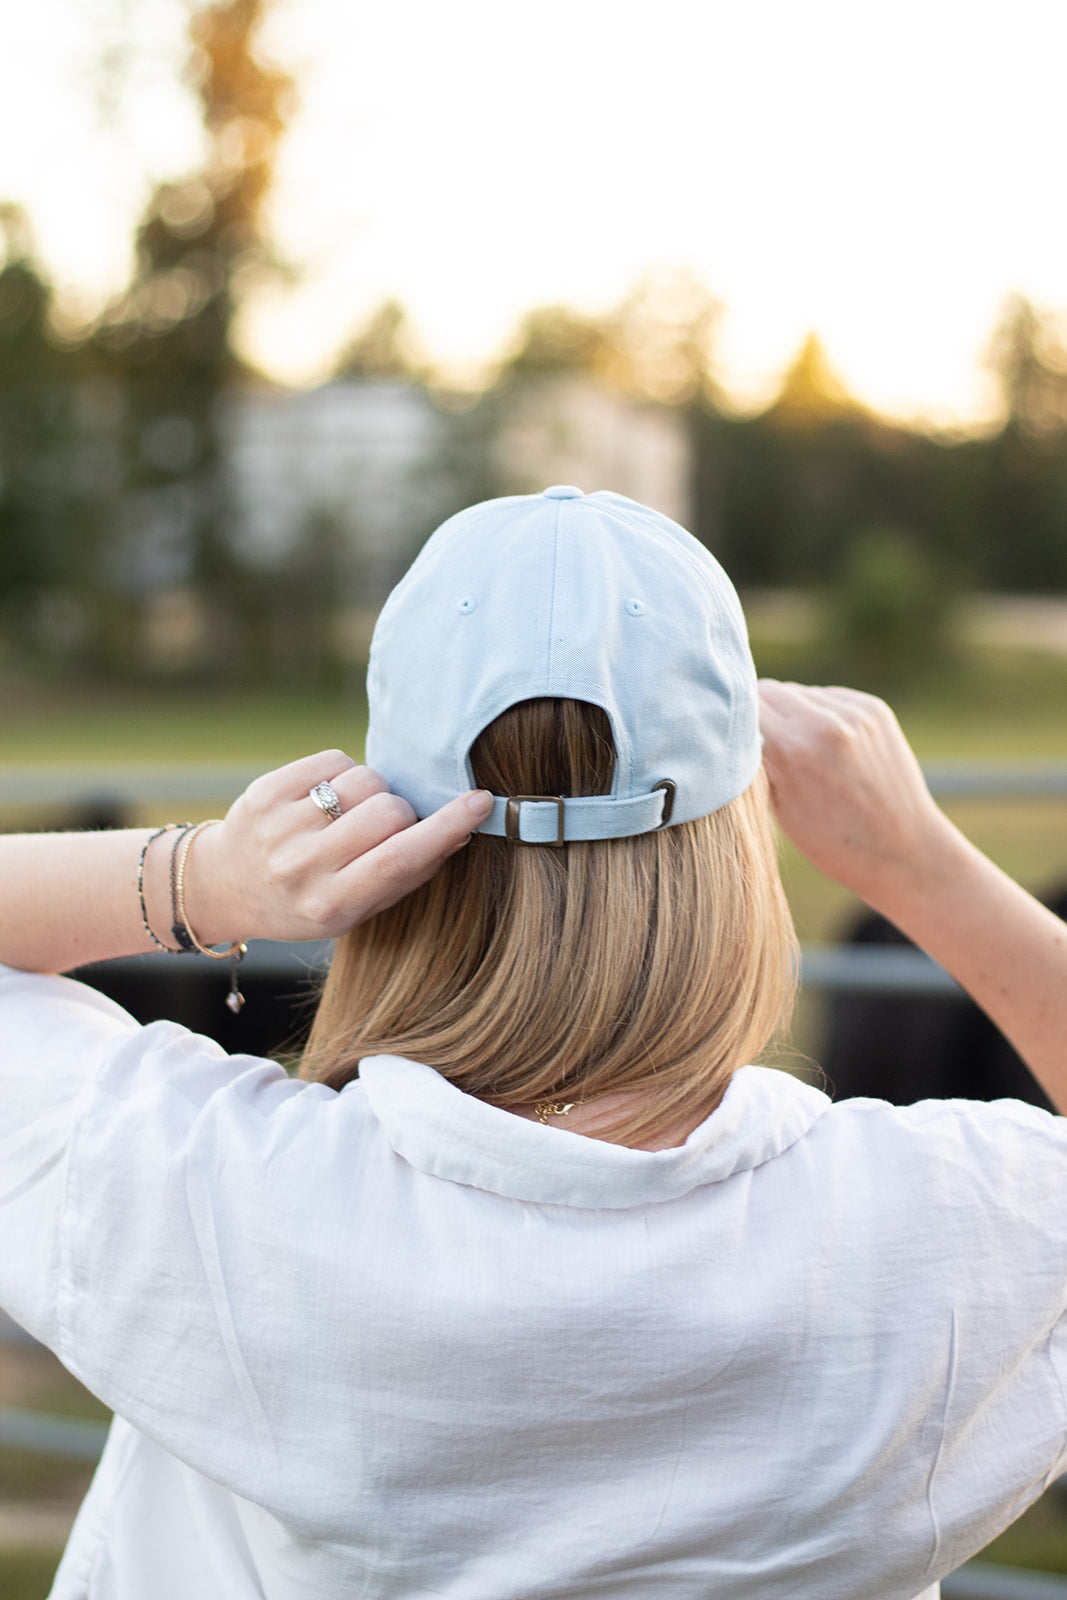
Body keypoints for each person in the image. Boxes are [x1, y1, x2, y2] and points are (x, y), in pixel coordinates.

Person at [2, 487, 1067, 1600]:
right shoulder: (937, 1230)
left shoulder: (204, 1191)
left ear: (386, 823)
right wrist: (921, 866)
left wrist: (203, 878)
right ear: (733, 842)